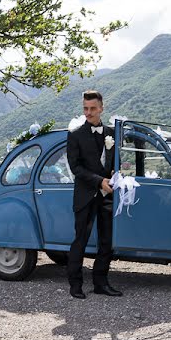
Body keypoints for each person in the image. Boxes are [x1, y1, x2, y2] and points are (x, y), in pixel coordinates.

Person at [65, 90, 122, 299]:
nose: (88, 113)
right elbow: (75, 168)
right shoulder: (75, 134)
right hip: (85, 196)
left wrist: (116, 173)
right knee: (80, 240)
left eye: (92, 109)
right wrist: (100, 181)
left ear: (101, 108)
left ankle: (101, 283)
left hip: (107, 197)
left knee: (106, 242)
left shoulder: (111, 133)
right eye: (85, 109)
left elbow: (114, 162)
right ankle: (75, 285)